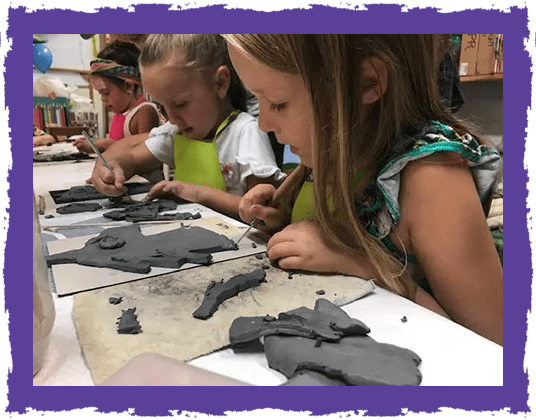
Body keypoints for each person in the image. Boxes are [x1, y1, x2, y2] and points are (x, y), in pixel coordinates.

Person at [224, 34, 503, 345]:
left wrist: (360, 264)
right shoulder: (326, 155)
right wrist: (276, 214)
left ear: (367, 84)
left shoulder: (431, 178)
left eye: (277, 103)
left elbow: (494, 346)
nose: (262, 124)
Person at [88, 34, 284, 219]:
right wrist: (113, 168)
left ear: (220, 83)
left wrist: (197, 193)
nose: (172, 119)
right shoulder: (176, 133)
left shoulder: (245, 133)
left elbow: (263, 212)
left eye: (180, 104)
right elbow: (132, 158)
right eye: (161, 107)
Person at [74, 40, 163, 154]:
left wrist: (106, 145)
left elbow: (145, 153)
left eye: (106, 92)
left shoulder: (144, 111)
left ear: (128, 86)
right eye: (100, 93)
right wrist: (94, 147)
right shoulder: (119, 114)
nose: (102, 99)